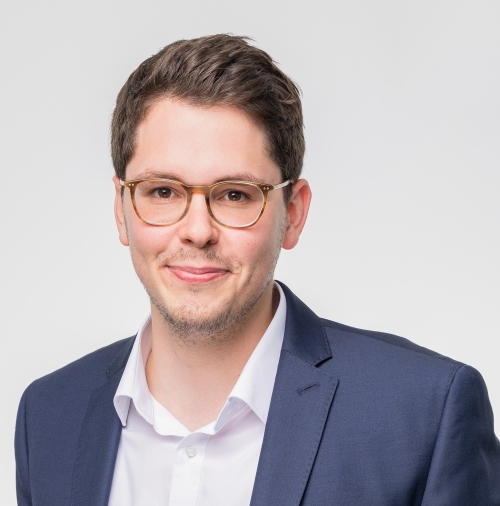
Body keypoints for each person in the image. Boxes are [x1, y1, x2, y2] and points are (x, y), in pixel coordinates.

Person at [15, 34, 500, 506]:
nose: (197, 231)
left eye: (235, 195)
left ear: (294, 213)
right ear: (121, 211)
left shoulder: (424, 414)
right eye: (162, 191)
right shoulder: (48, 416)